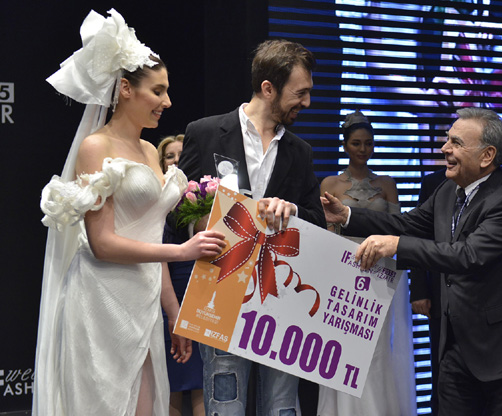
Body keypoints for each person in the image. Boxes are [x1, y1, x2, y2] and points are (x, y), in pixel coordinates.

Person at [34, 9, 226, 416]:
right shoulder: (96, 147)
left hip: (144, 300)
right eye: (158, 91)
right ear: (125, 89)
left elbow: (149, 235)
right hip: (100, 298)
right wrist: (183, 251)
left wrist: (173, 311)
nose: (167, 102)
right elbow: (102, 244)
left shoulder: (149, 152)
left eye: (166, 91)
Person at [322, 107, 502, 416]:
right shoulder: (448, 190)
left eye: (456, 142)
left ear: (487, 156)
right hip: (457, 349)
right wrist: (348, 216)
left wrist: (396, 246)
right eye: (447, 139)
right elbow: (407, 224)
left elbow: (468, 255)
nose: (445, 148)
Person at [178, 39, 326, 416]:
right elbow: (176, 213)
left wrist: (292, 210)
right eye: (300, 93)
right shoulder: (205, 132)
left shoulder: (300, 152)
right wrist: (203, 224)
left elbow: (317, 221)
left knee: (282, 405)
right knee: (224, 401)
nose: (307, 102)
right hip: (220, 288)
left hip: (281, 294)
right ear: (268, 88)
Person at [316, 111, 416, 415]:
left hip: (380, 271)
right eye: (356, 143)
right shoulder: (330, 183)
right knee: (344, 343)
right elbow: (325, 234)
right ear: (345, 145)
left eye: (368, 143)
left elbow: (399, 228)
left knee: (379, 347)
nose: (363, 149)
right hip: (343, 271)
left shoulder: (387, 184)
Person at [158, 134, 205, 416]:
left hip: (201, 294)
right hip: (167, 292)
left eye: (181, 155)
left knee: (201, 382)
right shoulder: (154, 201)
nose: (176, 161)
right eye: (169, 156)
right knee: (172, 381)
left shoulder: (205, 197)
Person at [408, 167, 447, 416]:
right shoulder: (434, 183)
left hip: (485, 301)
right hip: (440, 292)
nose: (447, 149)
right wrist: (419, 289)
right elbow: (417, 234)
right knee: (441, 367)